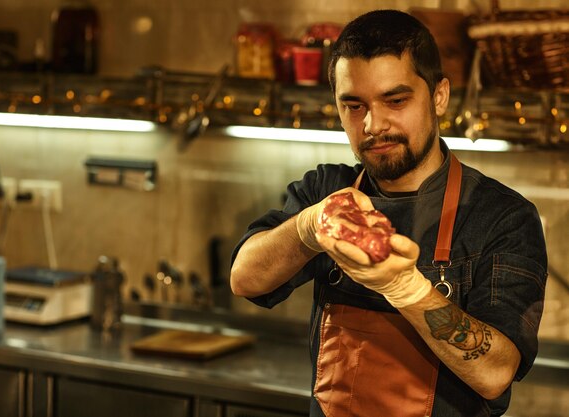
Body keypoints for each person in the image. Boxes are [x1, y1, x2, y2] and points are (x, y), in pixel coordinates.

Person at [230, 9, 547, 417]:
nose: (373, 125)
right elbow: (245, 279)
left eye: (395, 100)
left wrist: (406, 289)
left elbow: (496, 371)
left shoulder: (502, 217)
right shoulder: (328, 190)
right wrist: (309, 227)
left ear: (439, 95)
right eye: (354, 106)